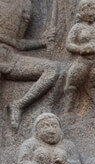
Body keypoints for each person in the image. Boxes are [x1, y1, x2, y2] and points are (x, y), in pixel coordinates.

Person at [0, 0, 58, 129]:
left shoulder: (24, 4)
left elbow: (18, 43)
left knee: (51, 69)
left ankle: (18, 105)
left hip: (10, 57)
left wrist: (42, 42)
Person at [65, 0, 95, 115]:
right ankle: (69, 107)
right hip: (82, 60)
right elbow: (69, 44)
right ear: (81, 12)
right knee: (74, 80)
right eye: (87, 10)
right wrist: (81, 49)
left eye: (93, 9)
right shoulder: (77, 27)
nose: (91, 13)